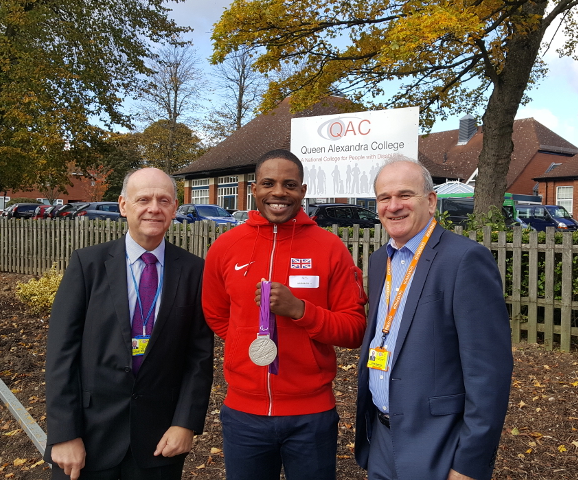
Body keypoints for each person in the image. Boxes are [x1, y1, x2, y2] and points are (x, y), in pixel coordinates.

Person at [202, 149, 367, 480]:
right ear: (254, 190)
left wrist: (301, 311)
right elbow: (217, 315)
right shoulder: (225, 246)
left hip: (311, 415)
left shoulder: (330, 248)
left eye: (289, 184)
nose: (278, 192)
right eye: (268, 183)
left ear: (302, 192)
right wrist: (243, 342)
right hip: (243, 413)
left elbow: (354, 331)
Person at [44, 167, 214, 480]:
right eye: (143, 199)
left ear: (175, 208)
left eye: (164, 200)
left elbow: (199, 356)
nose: (154, 208)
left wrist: (185, 423)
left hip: (160, 442)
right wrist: (64, 433)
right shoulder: (88, 265)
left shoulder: (194, 271)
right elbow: (61, 353)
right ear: (123, 205)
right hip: (88, 438)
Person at [355, 156, 513, 480]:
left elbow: (489, 377)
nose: (393, 206)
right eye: (384, 198)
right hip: (381, 441)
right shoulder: (377, 261)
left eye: (404, 195)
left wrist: (469, 465)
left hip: (437, 445)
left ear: (430, 201)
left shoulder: (465, 259)